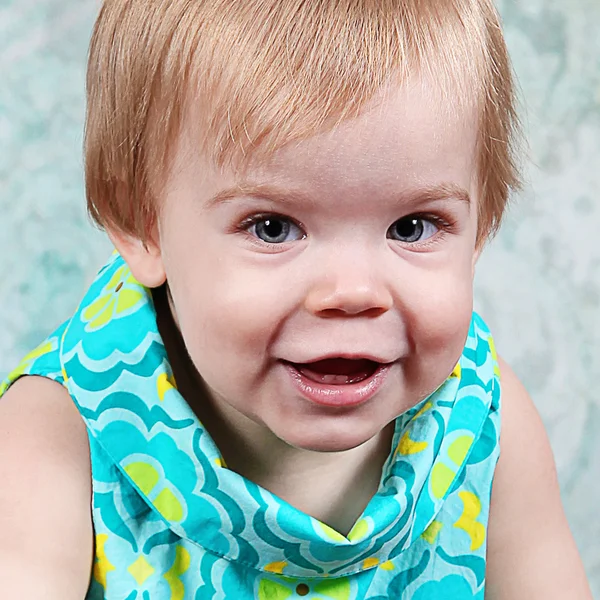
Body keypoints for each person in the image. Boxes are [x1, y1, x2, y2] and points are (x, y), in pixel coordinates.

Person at [0, 1, 592, 598]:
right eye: (272, 228)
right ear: (143, 223)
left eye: (412, 227)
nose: (353, 292)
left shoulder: (483, 420)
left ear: (480, 230)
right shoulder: (58, 435)